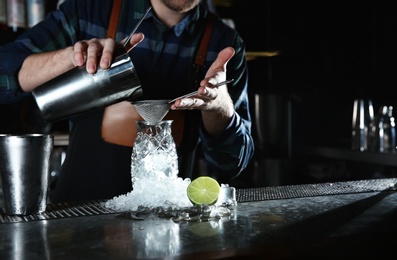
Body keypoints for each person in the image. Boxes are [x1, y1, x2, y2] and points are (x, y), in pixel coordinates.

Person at [0, 0, 254, 202]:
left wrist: (219, 106)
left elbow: (233, 164)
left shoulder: (226, 45)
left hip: (165, 219)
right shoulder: (89, 11)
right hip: (78, 213)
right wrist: (72, 57)